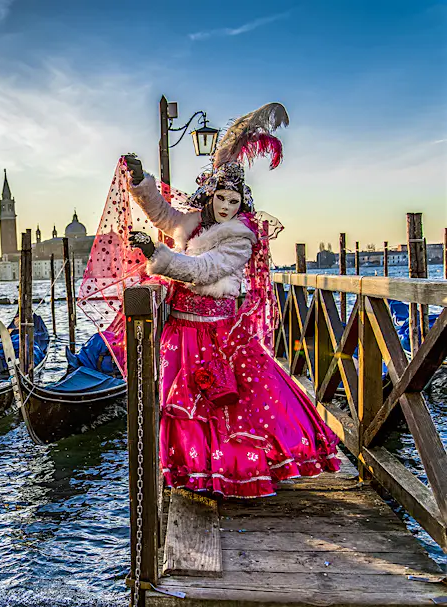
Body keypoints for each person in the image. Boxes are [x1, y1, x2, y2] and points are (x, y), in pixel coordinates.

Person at [94, 103, 340, 498]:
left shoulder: (239, 238)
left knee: (228, 405)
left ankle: (235, 472)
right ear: (210, 197)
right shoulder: (193, 221)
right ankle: (193, 471)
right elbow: (162, 213)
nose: (227, 207)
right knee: (183, 408)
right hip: (181, 327)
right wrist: (141, 183)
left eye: (234, 202)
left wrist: (158, 256)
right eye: (222, 199)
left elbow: (204, 270)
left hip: (217, 333)